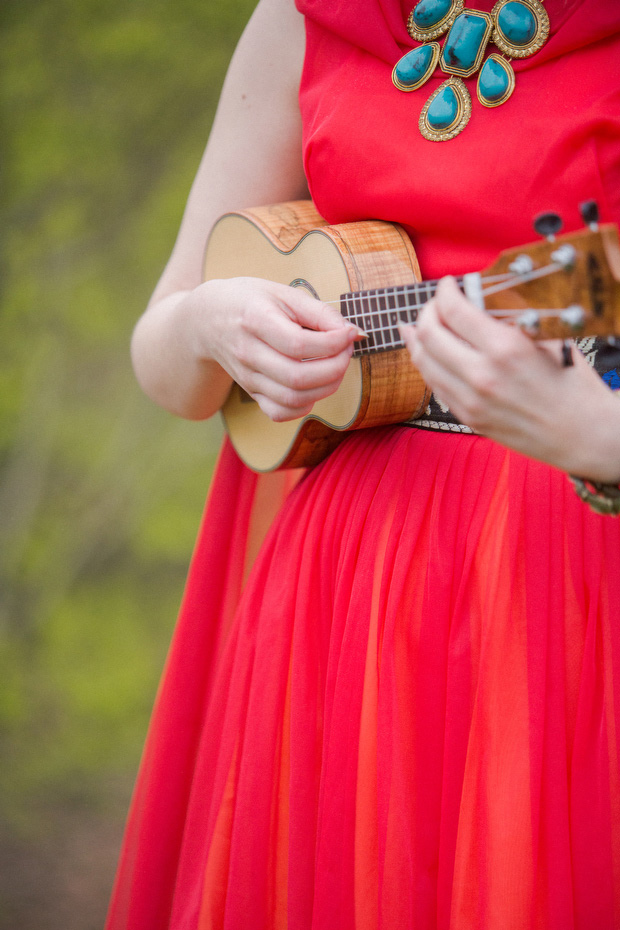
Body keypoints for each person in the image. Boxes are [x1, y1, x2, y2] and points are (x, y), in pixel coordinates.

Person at [106, 1, 620, 927]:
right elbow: (165, 360)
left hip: (583, 570)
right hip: (354, 586)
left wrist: (601, 441)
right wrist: (207, 321)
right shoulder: (301, 17)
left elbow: (599, 292)